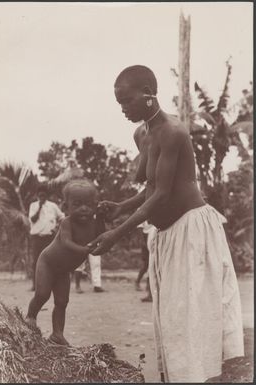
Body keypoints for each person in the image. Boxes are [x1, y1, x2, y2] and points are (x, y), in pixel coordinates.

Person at [89, 65, 244, 383]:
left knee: (190, 317)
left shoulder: (173, 131)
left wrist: (116, 234)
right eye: (119, 103)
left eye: (127, 101)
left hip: (191, 231)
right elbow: (151, 188)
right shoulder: (141, 134)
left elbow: (161, 196)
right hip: (165, 235)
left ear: (148, 95)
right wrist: (120, 207)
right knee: (171, 320)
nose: (122, 109)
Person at [26, 179, 105, 346]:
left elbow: (103, 235)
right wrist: (85, 250)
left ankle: (57, 334)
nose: (83, 208)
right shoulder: (67, 222)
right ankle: (30, 316)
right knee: (42, 294)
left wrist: (103, 217)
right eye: (77, 204)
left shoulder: (94, 222)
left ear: (96, 205)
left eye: (88, 205)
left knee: (62, 302)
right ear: (65, 207)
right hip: (47, 263)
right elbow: (67, 243)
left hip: (63, 271)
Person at [28, 185, 64, 290]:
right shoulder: (33, 205)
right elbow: (33, 219)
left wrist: (56, 227)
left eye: (43, 195)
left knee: (52, 260)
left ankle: (52, 284)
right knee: (36, 261)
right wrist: (39, 207)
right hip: (37, 238)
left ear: (47, 196)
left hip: (50, 238)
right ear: (37, 196)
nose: (42, 197)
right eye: (40, 196)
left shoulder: (53, 206)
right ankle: (35, 285)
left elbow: (62, 217)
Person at [135, 221, 154, 302]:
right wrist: (143, 242)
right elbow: (139, 227)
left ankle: (150, 290)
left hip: (154, 234)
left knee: (152, 264)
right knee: (147, 264)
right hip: (146, 237)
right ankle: (139, 282)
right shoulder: (140, 209)